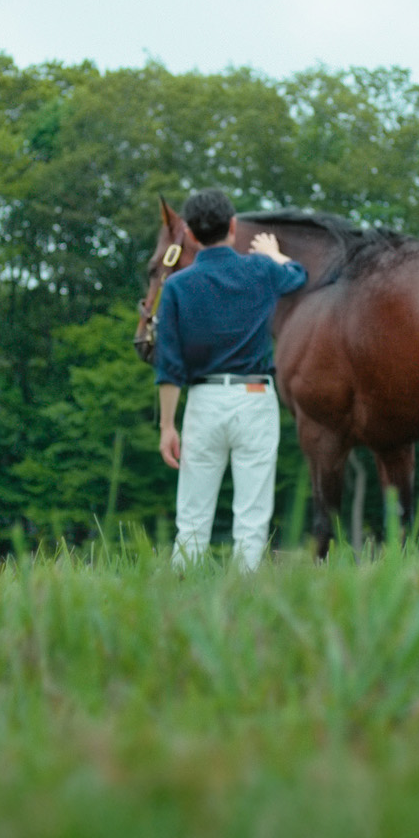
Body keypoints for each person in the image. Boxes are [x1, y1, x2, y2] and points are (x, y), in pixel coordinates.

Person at [154, 189, 307, 570]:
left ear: (190, 235)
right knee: (252, 521)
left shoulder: (176, 287)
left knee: (191, 519)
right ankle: (246, 595)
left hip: (204, 403)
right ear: (233, 226)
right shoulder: (261, 270)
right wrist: (274, 254)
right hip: (255, 398)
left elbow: (169, 365)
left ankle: (181, 595)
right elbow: (298, 276)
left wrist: (167, 426)